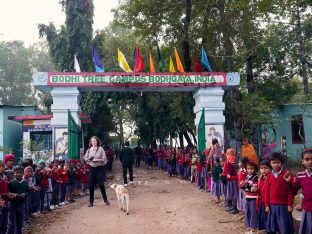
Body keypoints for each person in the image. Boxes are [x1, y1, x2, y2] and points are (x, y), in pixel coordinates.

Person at [284, 148, 312, 234]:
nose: (310, 161)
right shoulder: (300, 175)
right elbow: (294, 191)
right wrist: (289, 182)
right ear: (302, 161)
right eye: (307, 159)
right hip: (308, 209)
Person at [264, 152, 294, 234]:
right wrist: (267, 205)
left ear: (282, 163)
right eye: (273, 163)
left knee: (284, 226)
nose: (276, 165)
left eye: (278, 162)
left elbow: (291, 190)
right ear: (270, 163)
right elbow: (266, 191)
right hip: (272, 205)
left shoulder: (287, 174)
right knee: (273, 226)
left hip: (284, 205)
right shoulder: (269, 176)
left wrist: (290, 204)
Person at [84, 136, 109, 207]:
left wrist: (97, 160)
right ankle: (91, 202)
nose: (93, 142)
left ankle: (105, 200)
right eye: (92, 141)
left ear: (97, 141)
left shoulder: (101, 149)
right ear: (90, 142)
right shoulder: (89, 150)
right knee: (91, 185)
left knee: (101, 184)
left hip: (99, 168)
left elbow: (104, 159)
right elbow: (85, 157)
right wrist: (87, 159)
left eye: (95, 141)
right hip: (91, 168)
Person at [7, 166, 30, 234]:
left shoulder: (25, 183)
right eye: (16, 172)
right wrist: (13, 194)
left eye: (20, 173)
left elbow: (28, 192)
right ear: (13, 173)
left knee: (20, 221)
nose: (18, 174)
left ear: (23, 174)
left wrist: (24, 194)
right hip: (12, 204)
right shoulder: (10, 183)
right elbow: (8, 192)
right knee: (11, 222)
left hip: (21, 204)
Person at [241, 162, 259, 233]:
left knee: (253, 213)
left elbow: (254, 189)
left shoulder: (255, 178)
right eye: (248, 169)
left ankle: (254, 228)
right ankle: (249, 226)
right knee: (247, 212)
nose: (250, 170)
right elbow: (244, 188)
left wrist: (245, 185)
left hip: (253, 199)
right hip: (247, 197)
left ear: (255, 169)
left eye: (251, 169)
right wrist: (242, 185)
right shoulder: (247, 177)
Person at [222, 148, 239, 214]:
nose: (228, 155)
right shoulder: (228, 160)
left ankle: (235, 208)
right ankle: (232, 206)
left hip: (232, 180)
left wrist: (229, 176)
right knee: (231, 193)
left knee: (234, 194)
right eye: (227, 153)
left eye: (229, 153)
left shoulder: (232, 161)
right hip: (229, 179)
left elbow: (233, 172)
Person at [257, 159, 271, 233]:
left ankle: (269, 229)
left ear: (270, 168)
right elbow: (259, 189)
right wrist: (256, 189)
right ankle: (264, 228)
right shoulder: (260, 178)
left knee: (268, 217)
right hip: (261, 200)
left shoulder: (271, 178)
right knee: (262, 215)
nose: (263, 170)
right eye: (262, 168)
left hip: (268, 201)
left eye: (266, 168)